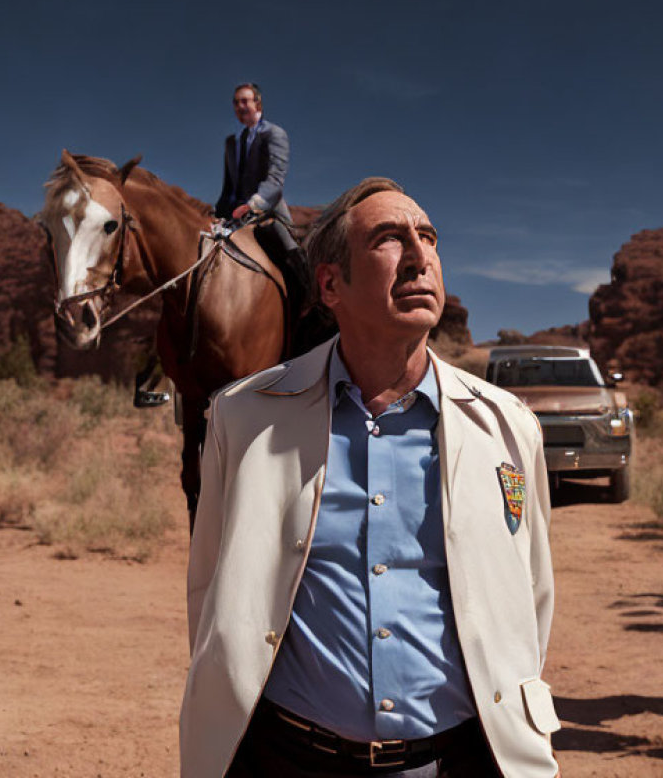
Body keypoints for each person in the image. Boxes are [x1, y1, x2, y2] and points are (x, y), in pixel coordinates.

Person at [180, 177, 560, 777]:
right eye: (389, 238)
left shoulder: (508, 427)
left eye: (428, 236)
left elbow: (531, 597)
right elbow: (211, 589)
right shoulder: (245, 416)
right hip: (287, 759)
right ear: (330, 284)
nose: (419, 255)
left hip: (457, 760)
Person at [214, 83, 310, 317]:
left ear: (258, 103)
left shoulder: (274, 134)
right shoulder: (231, 143)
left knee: (294, 259)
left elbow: (275, 180)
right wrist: (218, 213)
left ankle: (312, 310)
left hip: (267, 213)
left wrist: (253, 205)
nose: (240, 106)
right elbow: (229, 187)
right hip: (233, 216)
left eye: (245, 101)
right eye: (236, 103)